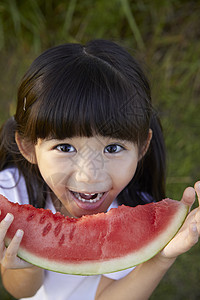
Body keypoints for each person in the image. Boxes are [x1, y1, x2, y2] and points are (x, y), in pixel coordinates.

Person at [0, 39, 199, 300]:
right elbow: (19, 290)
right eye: (65, 148)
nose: (89, 175)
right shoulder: (11, 191)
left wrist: (161, 259)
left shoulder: (136, 210)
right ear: (28, 147)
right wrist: (27, 263)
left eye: (113, 148)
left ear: (142, 147)